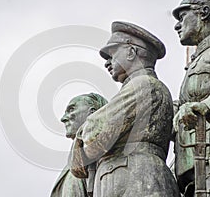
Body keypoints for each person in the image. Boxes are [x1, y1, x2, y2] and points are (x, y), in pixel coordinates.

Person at [70, 21, 180, 197]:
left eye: (112, 55)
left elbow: (94, 135)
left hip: (140, 181)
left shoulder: (144, 85)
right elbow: (80, 165)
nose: (107, 63)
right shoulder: (136, 86)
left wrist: (83, 132)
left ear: (131, 52)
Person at [172, 0, 210, 196]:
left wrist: (206, 106)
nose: (177, 25)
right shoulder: (199, 58)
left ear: (203, 13)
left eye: (183, 16)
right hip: (190, 158)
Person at [50, 93, 107, 197]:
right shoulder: (73, 163)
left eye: (71, 110)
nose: (63, 118)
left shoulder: (107, 158)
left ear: (92, 112)